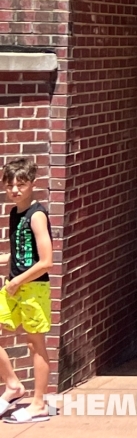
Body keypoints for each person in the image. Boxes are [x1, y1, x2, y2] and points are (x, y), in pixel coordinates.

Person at [0, 158, 53, 424]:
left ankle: (39, 404)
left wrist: (17, 280)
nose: (15, 190)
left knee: (35, 343)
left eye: (21, 184)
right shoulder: (14, 213)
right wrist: (6, 263)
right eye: (9, 185)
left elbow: (46, 261)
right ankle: (13, 386)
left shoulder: (36, 215)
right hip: (16, 284)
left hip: (33, 287)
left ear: (33, 183)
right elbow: (21, 252)